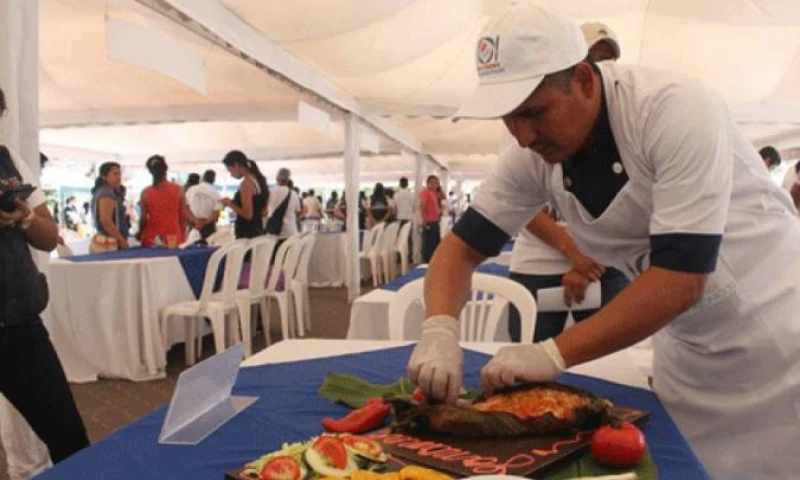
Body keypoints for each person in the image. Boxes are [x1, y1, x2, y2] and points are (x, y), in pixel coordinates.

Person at [406, 3, 800, 479]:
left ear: (585, 80)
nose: (523, 135)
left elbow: (681, 280)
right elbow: (461, 249)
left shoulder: (676, 109)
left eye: (534, 112)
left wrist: (552, 352)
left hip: (777, 335)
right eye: (508, 118)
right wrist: (440, 329)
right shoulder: (529, 154)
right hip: (687, 351)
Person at [508, 21, 629, 342]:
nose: (602, 69)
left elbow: (633, 214)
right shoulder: (535, 125)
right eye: (593, 58)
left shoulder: (626, 128)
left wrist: (589, 263)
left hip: (604, 270)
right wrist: (575, 254)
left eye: (609, 61)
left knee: (612, 366)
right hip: (538, 268)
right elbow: (524, 209)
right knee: (527, 377)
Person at [0, 86, 89, 464]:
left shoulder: (10, 161)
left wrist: (26, 217)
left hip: (18, 320)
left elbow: (50, 236)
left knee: (68, 435)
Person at [138, 155, 190, 248]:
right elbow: (183, 216)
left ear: (150, 171)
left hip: (151, 238)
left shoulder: (145, 192)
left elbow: (143, 219)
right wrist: (183, 234)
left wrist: (140, 232)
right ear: (166, 169)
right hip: (173, 237)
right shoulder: (178, 190)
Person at [220, 151, 268, 239]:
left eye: (230, 170)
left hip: (246, 234)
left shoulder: (246, 183)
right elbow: (263, 210)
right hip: (258, 230)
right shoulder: (258, 180)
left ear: (237, 165)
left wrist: (229, 204)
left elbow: (248, 215)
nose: (231, 174)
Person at [90, 162, 128, 253]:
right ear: (104, 176)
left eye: (119, 174)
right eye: (115, 174)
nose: (119, 177)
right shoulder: (106, 193)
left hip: (108, 238)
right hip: (109, 241)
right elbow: (105, 220)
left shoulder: (103, 191)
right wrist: (121, 240)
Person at [265, 167, 301, 238]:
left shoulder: (271, 192)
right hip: (291, 231)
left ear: (277, 178)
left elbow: (266, 210)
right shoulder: (294, 194)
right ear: (288, 180)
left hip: (275, 231)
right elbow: (297, 211)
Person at [186, 169, 221, 240]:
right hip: (208, 227)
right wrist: (204, 223)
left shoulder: (191, 190)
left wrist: (196, 221)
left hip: (193, 224)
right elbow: (216, 214)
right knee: (209, 249)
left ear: (203, 177)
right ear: (214, 179)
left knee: (191, 247)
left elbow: (185, 208)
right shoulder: (216, 193)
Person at [418, 175, 441, 262]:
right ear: (428, 183)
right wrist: (425, 221)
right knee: (429, 245)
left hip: (435, 221)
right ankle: (426, 262)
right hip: (429, 222)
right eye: (433, 183)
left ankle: (433, 261)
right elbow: (422, 207)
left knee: (435, 243)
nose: (435, 185)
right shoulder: (425, 193)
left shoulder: (433, 193)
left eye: (436, 183)